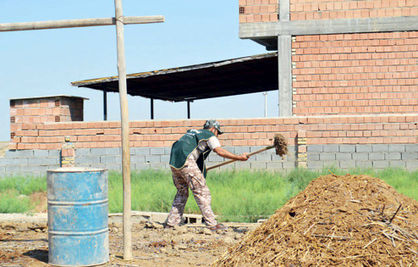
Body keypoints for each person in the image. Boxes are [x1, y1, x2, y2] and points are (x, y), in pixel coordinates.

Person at [165, 120, 249, 230]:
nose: (218, 136)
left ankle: (171, 223)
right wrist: (239, 157)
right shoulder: (209, 135)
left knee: (182, 193)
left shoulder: (193, 133)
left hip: (174, 163)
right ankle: (211, 224)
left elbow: (194, 156)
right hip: (187, 161)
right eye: (218, 133)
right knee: (202, 192)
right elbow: (219, 151)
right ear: (213, 129)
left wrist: (199, 172)